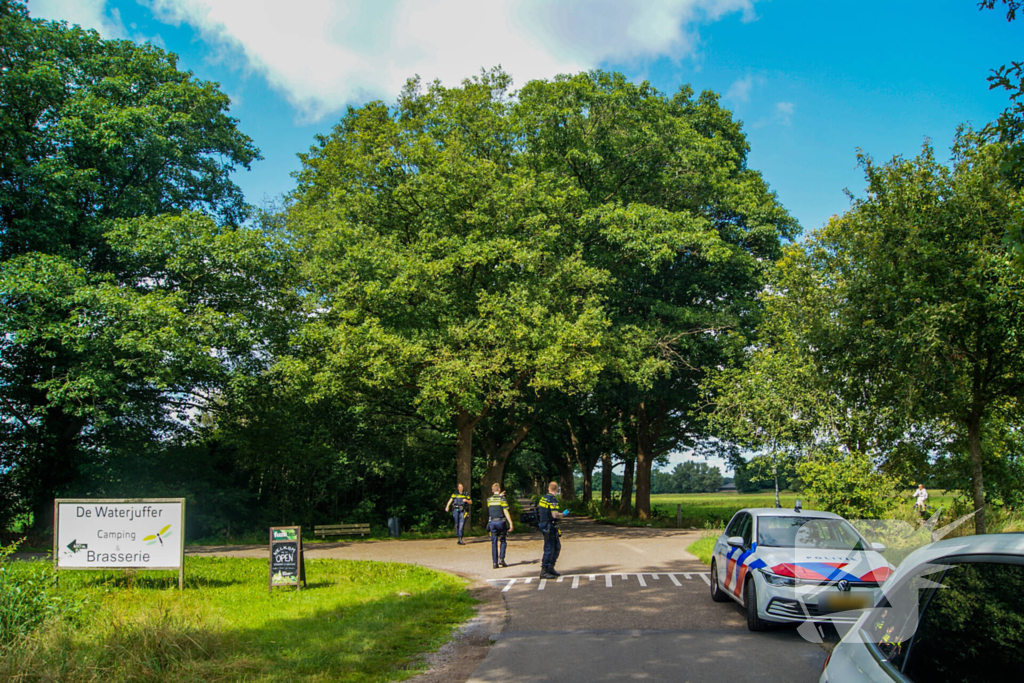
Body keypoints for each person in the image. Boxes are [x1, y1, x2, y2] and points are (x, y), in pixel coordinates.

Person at [537, 481, 568, 579]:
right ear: (557, 489)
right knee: (550, 548)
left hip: (544, 524)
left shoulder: (543, 498)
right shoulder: (553, 500)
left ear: (548, 489)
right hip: (549, 526)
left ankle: (550, 568)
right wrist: (563, 514)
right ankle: (544, 570)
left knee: (556, 546)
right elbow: (555, 515)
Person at [486, 483, 514, 569]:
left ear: (492, 490)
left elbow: (493, 505)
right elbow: (505, 511)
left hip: (492, 523)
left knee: (494, 543)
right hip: (501, 522)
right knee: (503, 540)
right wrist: (511, 523)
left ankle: (495, 563)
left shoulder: (489, 500)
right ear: (499, 489)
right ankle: (501, 559)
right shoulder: (502, 499)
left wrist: (499, 496)